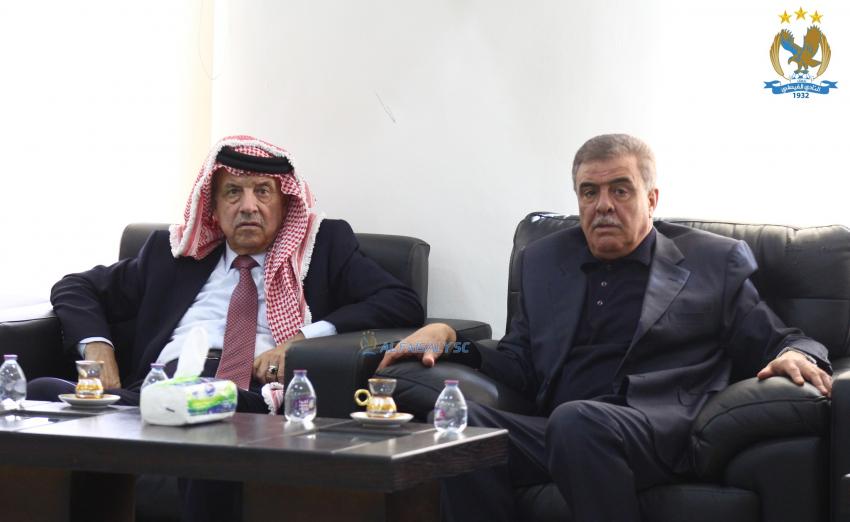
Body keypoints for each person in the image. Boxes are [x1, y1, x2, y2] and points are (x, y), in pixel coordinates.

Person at [377, 133, 832, 522]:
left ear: (651, 199)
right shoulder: (544, 261)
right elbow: (518, 363)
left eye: (620, 190)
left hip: (658, 430)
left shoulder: (712, 261)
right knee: (460, 425)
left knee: (576, 421)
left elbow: (781, 340)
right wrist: (451, 339)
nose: (603, 206)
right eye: (589, 192)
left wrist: (796, 354)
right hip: (558, 429)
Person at [30, 135, 424, 410]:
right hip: (161, 387)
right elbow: (75, 287)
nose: (249, 206)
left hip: (251, 393)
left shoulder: (323, 249)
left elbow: (400, 302)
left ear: (284, 204)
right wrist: (98, 349)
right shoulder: (172, 255)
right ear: (213, 209)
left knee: (208, 409)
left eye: (263, 191)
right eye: (233, 192)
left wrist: (302, 341)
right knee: (42, 390)